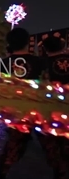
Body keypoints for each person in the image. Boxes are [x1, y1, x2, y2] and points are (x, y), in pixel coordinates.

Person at [0, 28, 47, 179]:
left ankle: (1, 175)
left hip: (15, 112)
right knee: (52, 148)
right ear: (27, 42)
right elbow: (46, 84)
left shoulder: (3, 64)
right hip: (39, 110)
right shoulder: (39, 62)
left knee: (12, 148)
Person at [38, 36, 69, 179]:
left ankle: (60, 170)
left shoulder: (43, 65)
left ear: (45, 49)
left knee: (55, 144)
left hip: (53, 111)